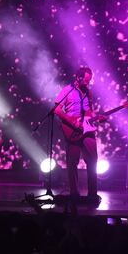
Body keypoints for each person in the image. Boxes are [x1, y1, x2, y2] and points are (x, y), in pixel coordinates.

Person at [54, 67, 105, 202]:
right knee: (72, 162)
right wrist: (71, 121)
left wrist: (97, 118)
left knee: (93, 160)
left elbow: (89, 112)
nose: (88, 83)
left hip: (87, 129)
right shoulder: (67, 90)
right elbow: (57, 109)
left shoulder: (88, 93)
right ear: (78, 77)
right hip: (72, 129)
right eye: (86, 81)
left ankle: (92, 195)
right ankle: (74, 194)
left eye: (89, 81)